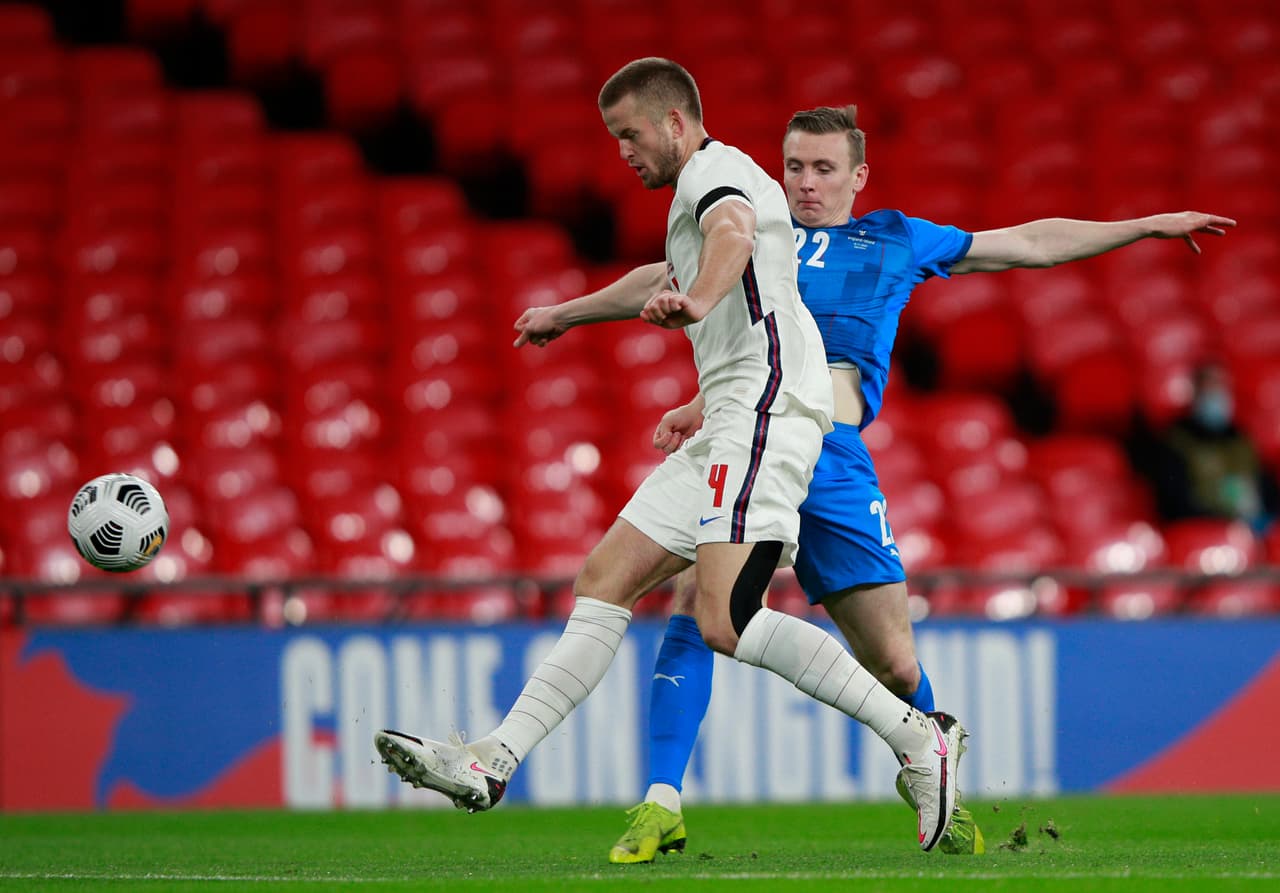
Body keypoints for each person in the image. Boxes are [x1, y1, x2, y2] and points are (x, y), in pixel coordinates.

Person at [608, 103, 1238, 863]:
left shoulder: (895, 239)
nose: (805, 183)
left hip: (831, 458)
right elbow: (683, 291)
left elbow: (1029, 243)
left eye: (823, 169)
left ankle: (938, 780)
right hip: (748, 442)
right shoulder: (755, 228)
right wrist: (614, 342)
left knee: (896, 664)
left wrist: (1144, 225)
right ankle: (661, 800)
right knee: (696, 600)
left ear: (858, 177)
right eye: (794, 166)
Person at [374, 61, 964, 854]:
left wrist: (699, 299)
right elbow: (674, 267)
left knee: (725, 619)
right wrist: (567, 313)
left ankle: (918, 737)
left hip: (766, 409)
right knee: (605, 578)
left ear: (676, 124)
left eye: (630, 134)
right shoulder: (710, 184)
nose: (623, 151)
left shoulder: (714, 176)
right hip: (731, 416)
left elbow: (731, 236)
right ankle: (493, 758)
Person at [1147, 361, 1276, 533]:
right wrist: (1224, 522)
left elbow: (1267, 490)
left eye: (1221, 386)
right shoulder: (1175, 440)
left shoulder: (1241, 438)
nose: (1216, 393)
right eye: (1210, 386)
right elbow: (1174, 503)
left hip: (1253, 528)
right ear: (1195, 392)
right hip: (1206, 530)